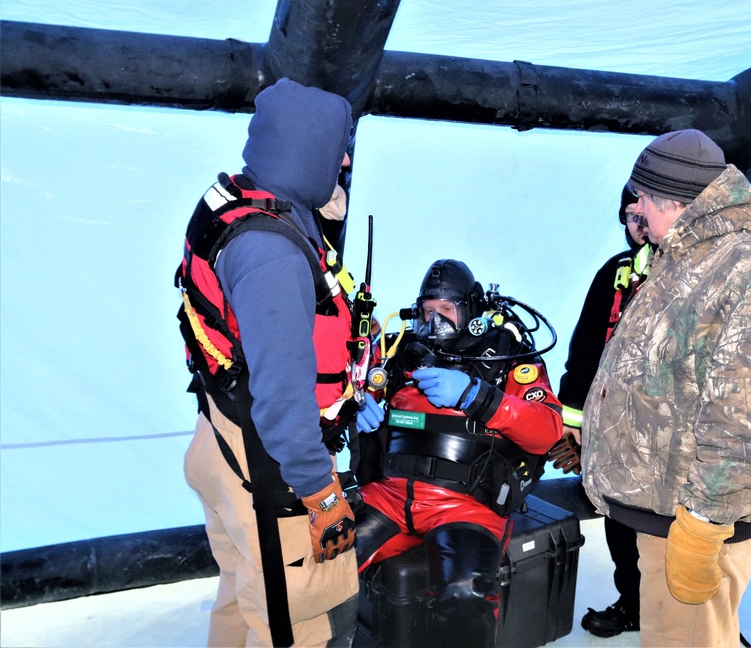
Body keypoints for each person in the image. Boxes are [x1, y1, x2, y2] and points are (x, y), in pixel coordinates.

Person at [581, 129, 751, 647]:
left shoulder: (750, 276)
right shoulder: (684, 261)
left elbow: (750, 423)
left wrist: (703, 527)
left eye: (642, 198)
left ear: (677, 202)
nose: (636, 210)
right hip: (664, 509)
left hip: (693, 521)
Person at [178, 78, 381, 647]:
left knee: (244, 604)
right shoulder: (273, 255)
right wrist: (321, 494)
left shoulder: (244, 201)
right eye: (339, 146)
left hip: (218, 436)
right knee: (299, 623)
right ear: (305, 147)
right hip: (268, 464)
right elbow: (283, 400)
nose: (344, 159)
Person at [352, 259, 563, 647]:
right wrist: (358, 407)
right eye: (427, 312)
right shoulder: (402, 355)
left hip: (466, 506)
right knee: (324, 559)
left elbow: (546, 432)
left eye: (446, 311)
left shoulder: (505, 356)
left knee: (467, 595)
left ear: (470, 311)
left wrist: (476, 396)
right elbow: (361, 394)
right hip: (389, 497)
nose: (435, 323)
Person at [550, 185, 651, 637]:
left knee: (663, 534)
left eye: (645, 212)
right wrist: (573, 426)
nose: (640, 224)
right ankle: (632, 604)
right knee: (619, 522)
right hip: (612, 433)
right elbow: (584, 350)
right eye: (631, 215)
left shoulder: (691, 276)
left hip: (665, 437)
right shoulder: (615, 274)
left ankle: (669, 616)